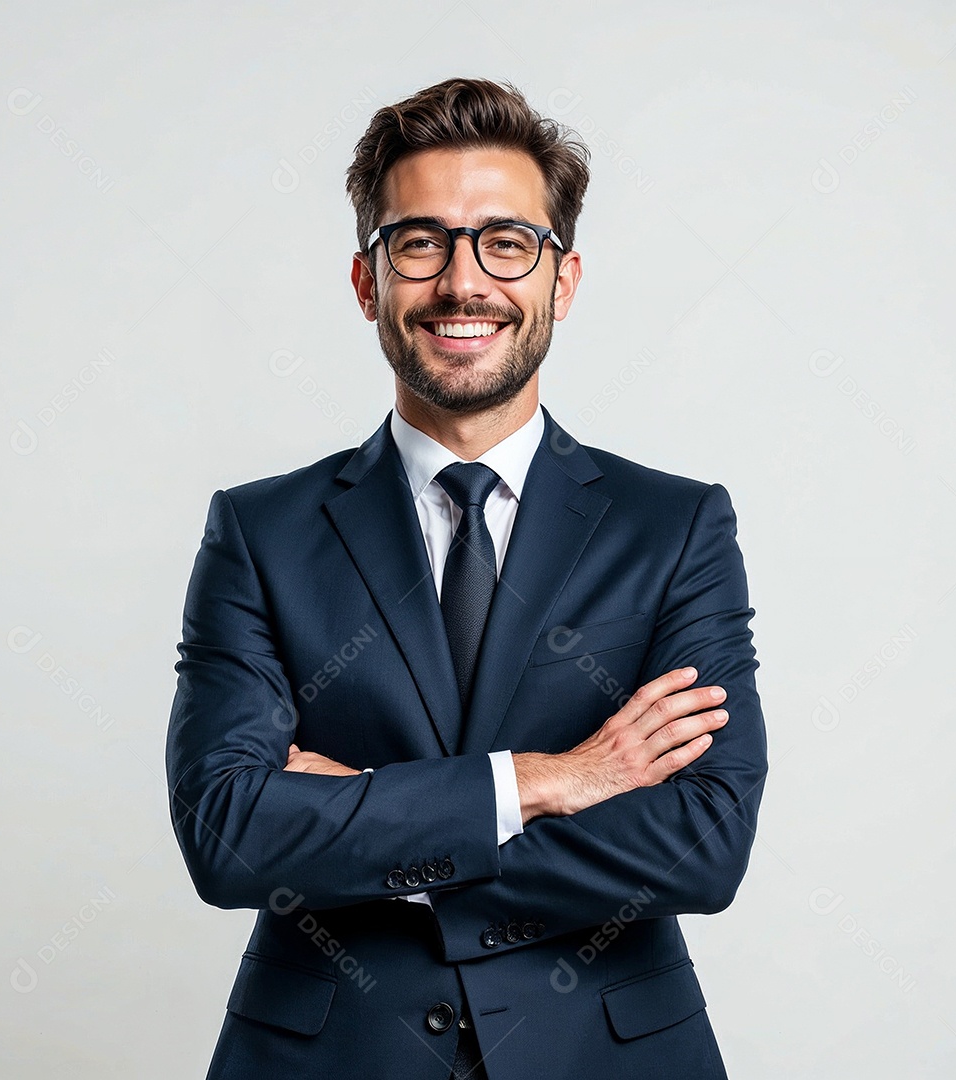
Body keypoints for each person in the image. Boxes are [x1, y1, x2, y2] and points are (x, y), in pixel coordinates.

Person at [166, 77, 767, 1080]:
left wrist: (366, 819)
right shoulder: (259, 530)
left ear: (561, 280)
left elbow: (702, 844)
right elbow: (229, 835)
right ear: (367, 282)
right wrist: (551, 781)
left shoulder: (675, 526)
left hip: (607, 1053)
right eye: (419, 242)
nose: (462, 282)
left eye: (506, 242)